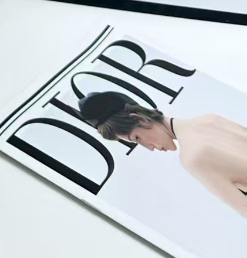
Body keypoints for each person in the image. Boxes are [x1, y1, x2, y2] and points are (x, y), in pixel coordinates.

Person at [79, 90, 247, 219]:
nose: (149, 148)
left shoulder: (192, 157)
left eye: (137, 138)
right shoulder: (210, 119)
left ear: (141, 119)